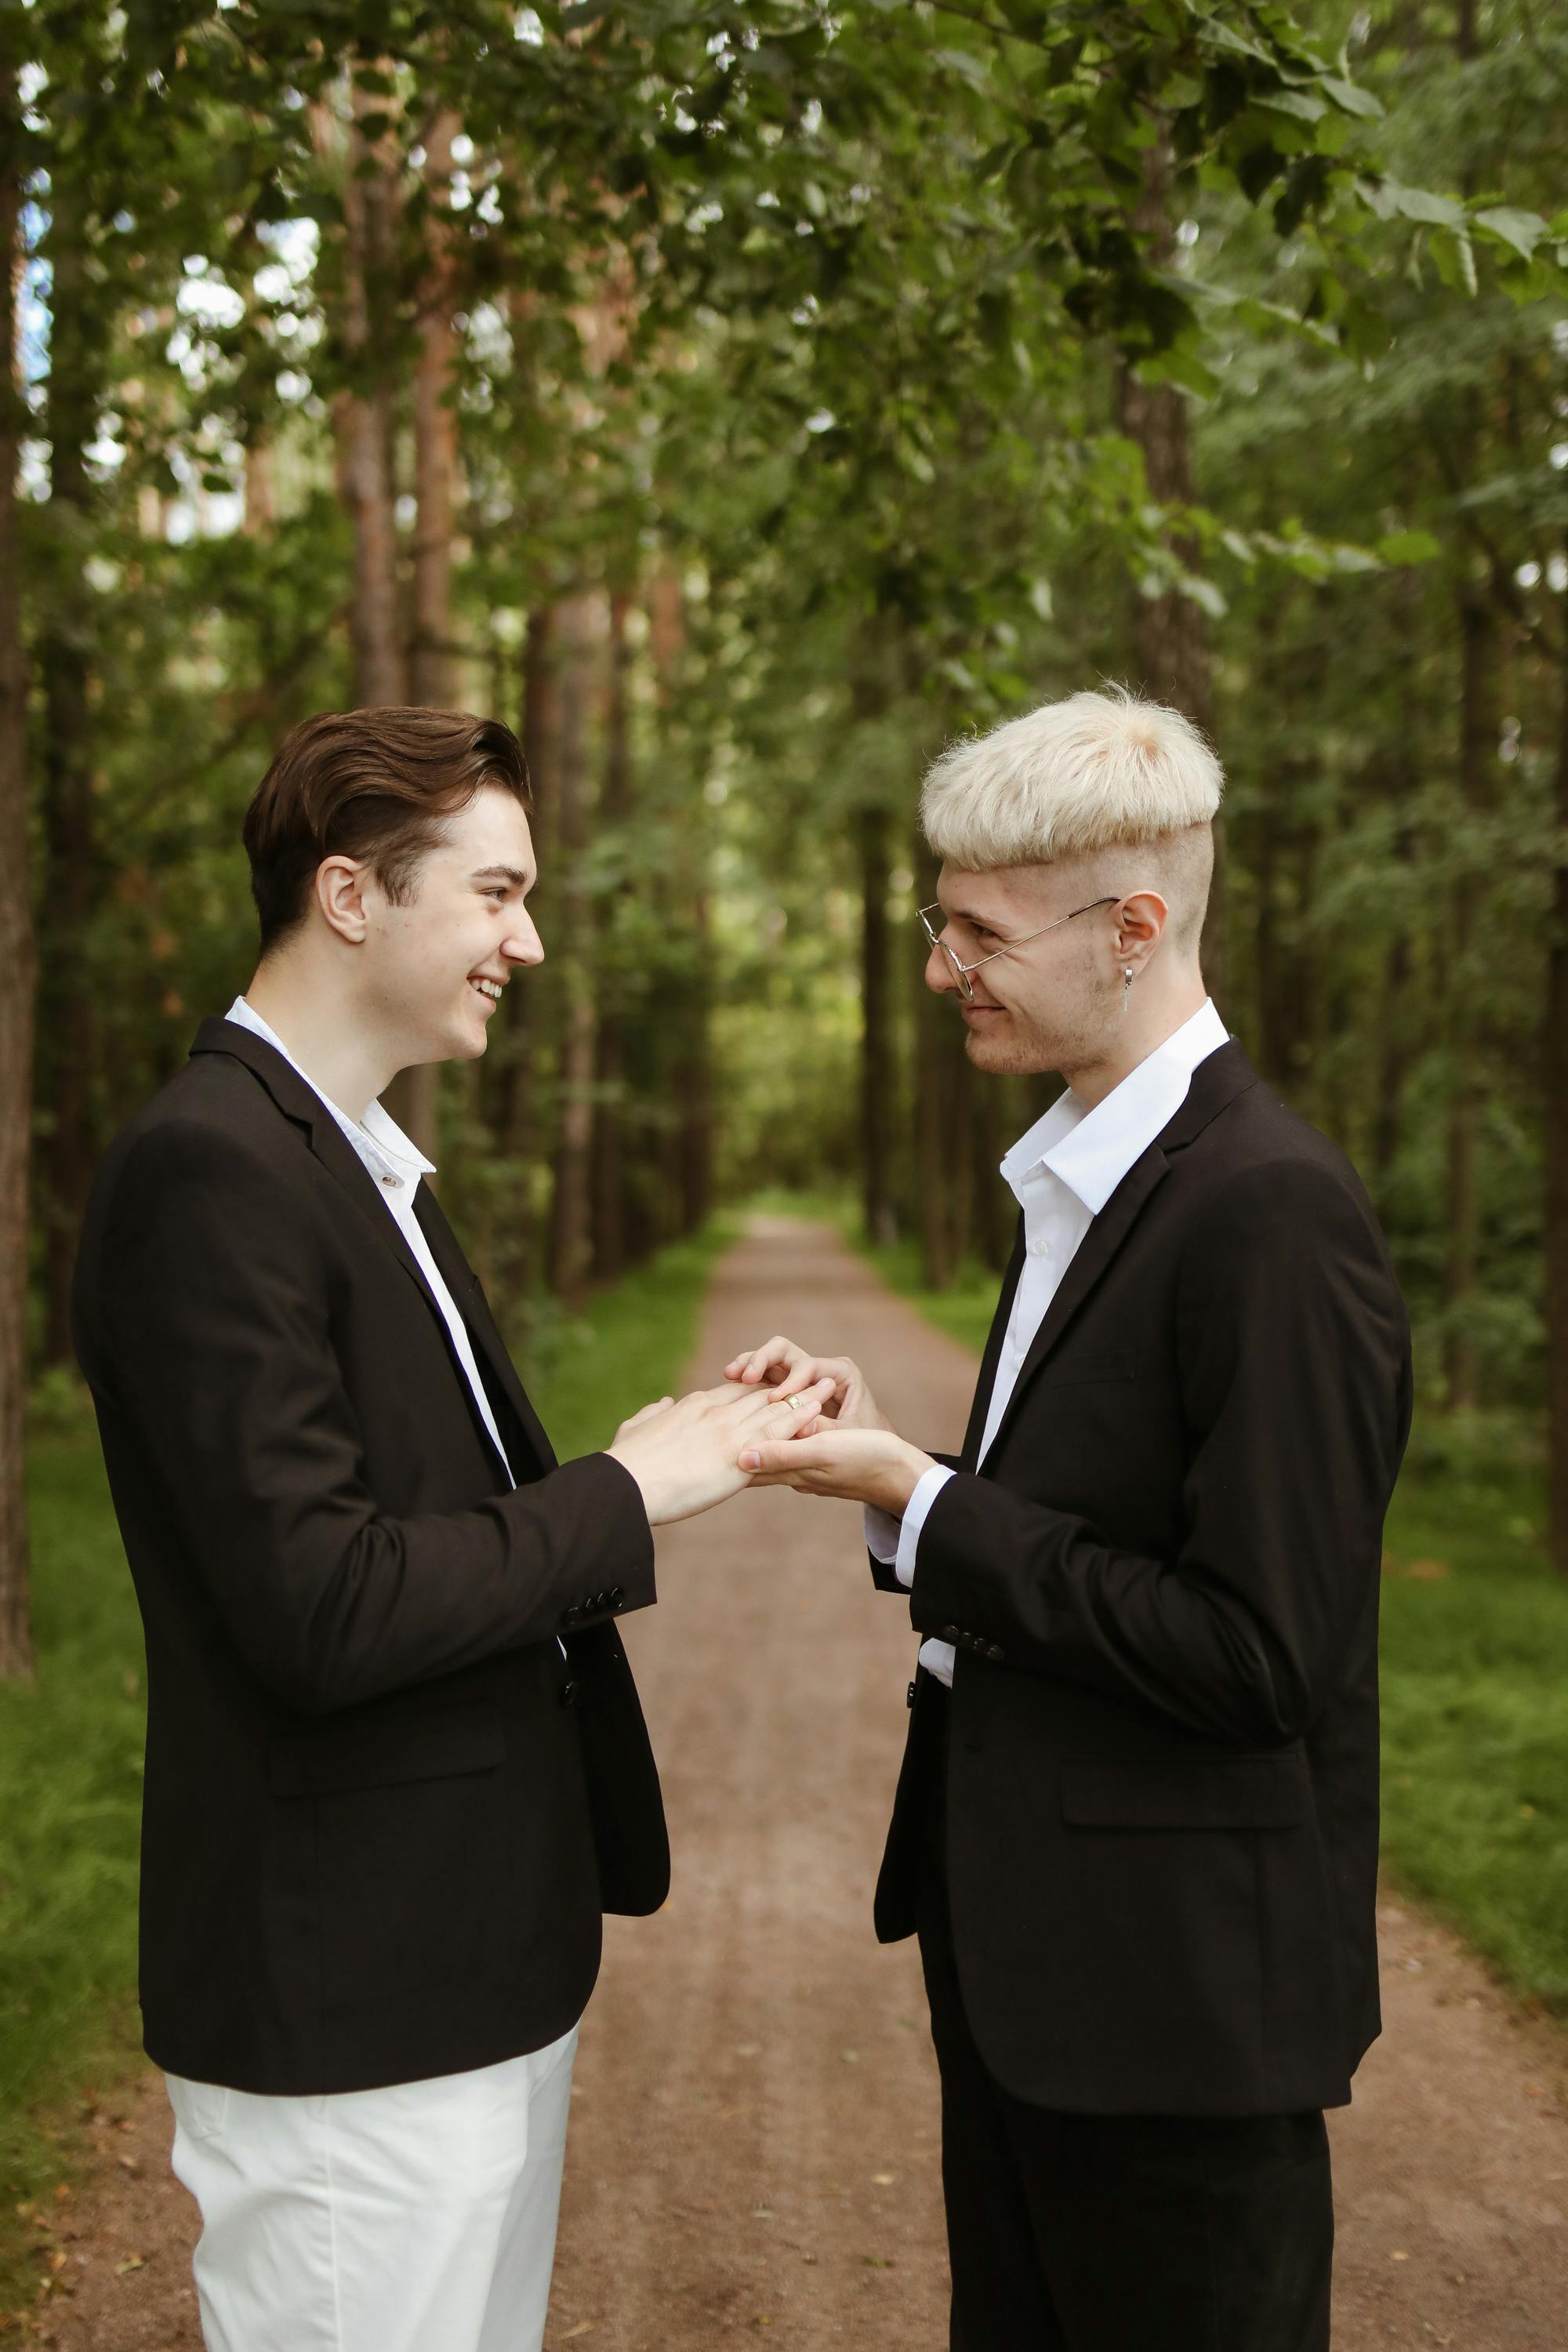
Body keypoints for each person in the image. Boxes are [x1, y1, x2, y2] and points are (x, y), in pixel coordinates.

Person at [71, 706, 832, 2352]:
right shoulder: (207, 1174)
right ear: (352, 897)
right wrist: (625, 1500)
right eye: (494, 894)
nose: (527, 939)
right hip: (354, 1994)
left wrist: (642, 1450)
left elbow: (414, 1516)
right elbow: (321, 1607)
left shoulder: (354, 1163)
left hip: (468, 1963)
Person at [730, 687, 1411, 2351]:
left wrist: (927, 1501)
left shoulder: (1269, 1214)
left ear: (1132, 928)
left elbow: (1258, 1658)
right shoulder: (1081, 1176)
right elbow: (1086, 1521)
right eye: (935, 917)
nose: (939, 965)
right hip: (1036, 1970)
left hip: (1172, 2011)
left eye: (975, 929)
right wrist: (902, 1476)